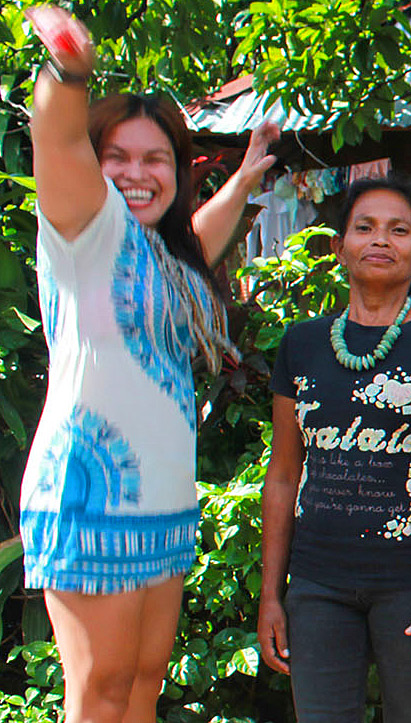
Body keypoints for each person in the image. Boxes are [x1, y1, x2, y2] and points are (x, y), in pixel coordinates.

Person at [20, 8, 276, 723]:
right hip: (91, 495)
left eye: (155, 158)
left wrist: (245, 176)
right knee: (99, 691)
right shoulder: (84, 229)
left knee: (140, 685)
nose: (137, 173)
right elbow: (56, 132)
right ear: (94, 165)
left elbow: (202, 232)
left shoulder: (165, 258)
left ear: (179, 168)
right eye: (118, 158)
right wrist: (70, 70)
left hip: (163, 502)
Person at [257, 178, 411, 723]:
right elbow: (285, 474)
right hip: (317, 588)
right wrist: (273, 593)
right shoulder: (302, 343)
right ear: (339, 247)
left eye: (398, 229)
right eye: (364, 227)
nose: (380, 240)